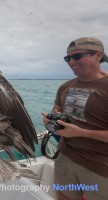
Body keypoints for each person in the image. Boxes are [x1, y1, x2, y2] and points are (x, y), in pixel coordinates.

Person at [42, 37, 108, 200]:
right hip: (65, 158)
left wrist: (81, 133)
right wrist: (51, 122)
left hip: (100, 167)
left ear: (98, 55)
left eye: (77, 56)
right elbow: (56, 111)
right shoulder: (65, 86)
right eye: (68, 58)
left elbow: (78, 131)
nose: (71, 62)